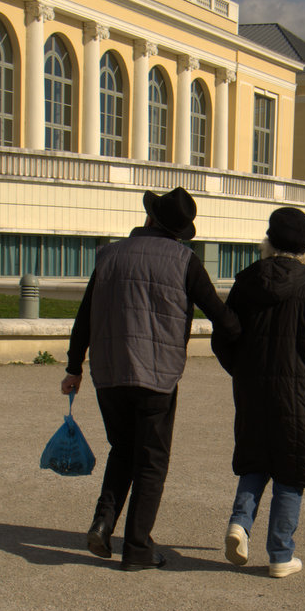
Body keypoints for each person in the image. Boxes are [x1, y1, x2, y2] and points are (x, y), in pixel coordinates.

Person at [61, 186, 240, 571]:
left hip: (108, 373)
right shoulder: (184, 261)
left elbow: (84, 317)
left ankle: (103, 521)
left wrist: (74, 368)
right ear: (178, 230)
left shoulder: (108, 255)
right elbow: (219, 315)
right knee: (151, 461)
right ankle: (138, 548)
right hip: (157, 375)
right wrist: (254, 343)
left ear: (149, 219)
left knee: (122, 450)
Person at [212, 207, 305, 579]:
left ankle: (239, 524)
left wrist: (242, 372)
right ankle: (280, 554)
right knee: (290, 471)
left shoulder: (246, 283)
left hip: (253, 390)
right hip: (299, 394)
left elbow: (224, 336)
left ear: (269, 242)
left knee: (256, 460)